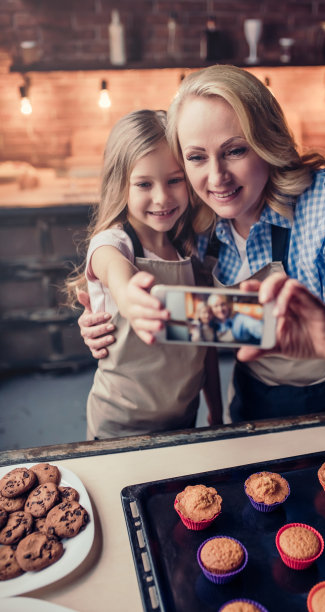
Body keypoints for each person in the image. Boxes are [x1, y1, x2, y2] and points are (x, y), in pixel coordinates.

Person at [77, 65, 325, 422]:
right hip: (258, 396)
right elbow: (177, 303)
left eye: (235, 151)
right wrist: (110, 313)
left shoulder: (324, 203)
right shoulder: (192, 216)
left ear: (267, 142)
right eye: (197, 157)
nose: (217, 178)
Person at [66, 109, 223, 439]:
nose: (162, 197)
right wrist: (125, 294)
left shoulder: (191, 253)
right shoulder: (116, 242)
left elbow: (205, 345)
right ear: (120, 186)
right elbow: (108, 263)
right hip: (119, 423)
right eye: (143, 184)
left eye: (174, 180)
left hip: (185, 416)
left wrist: (216, 407)